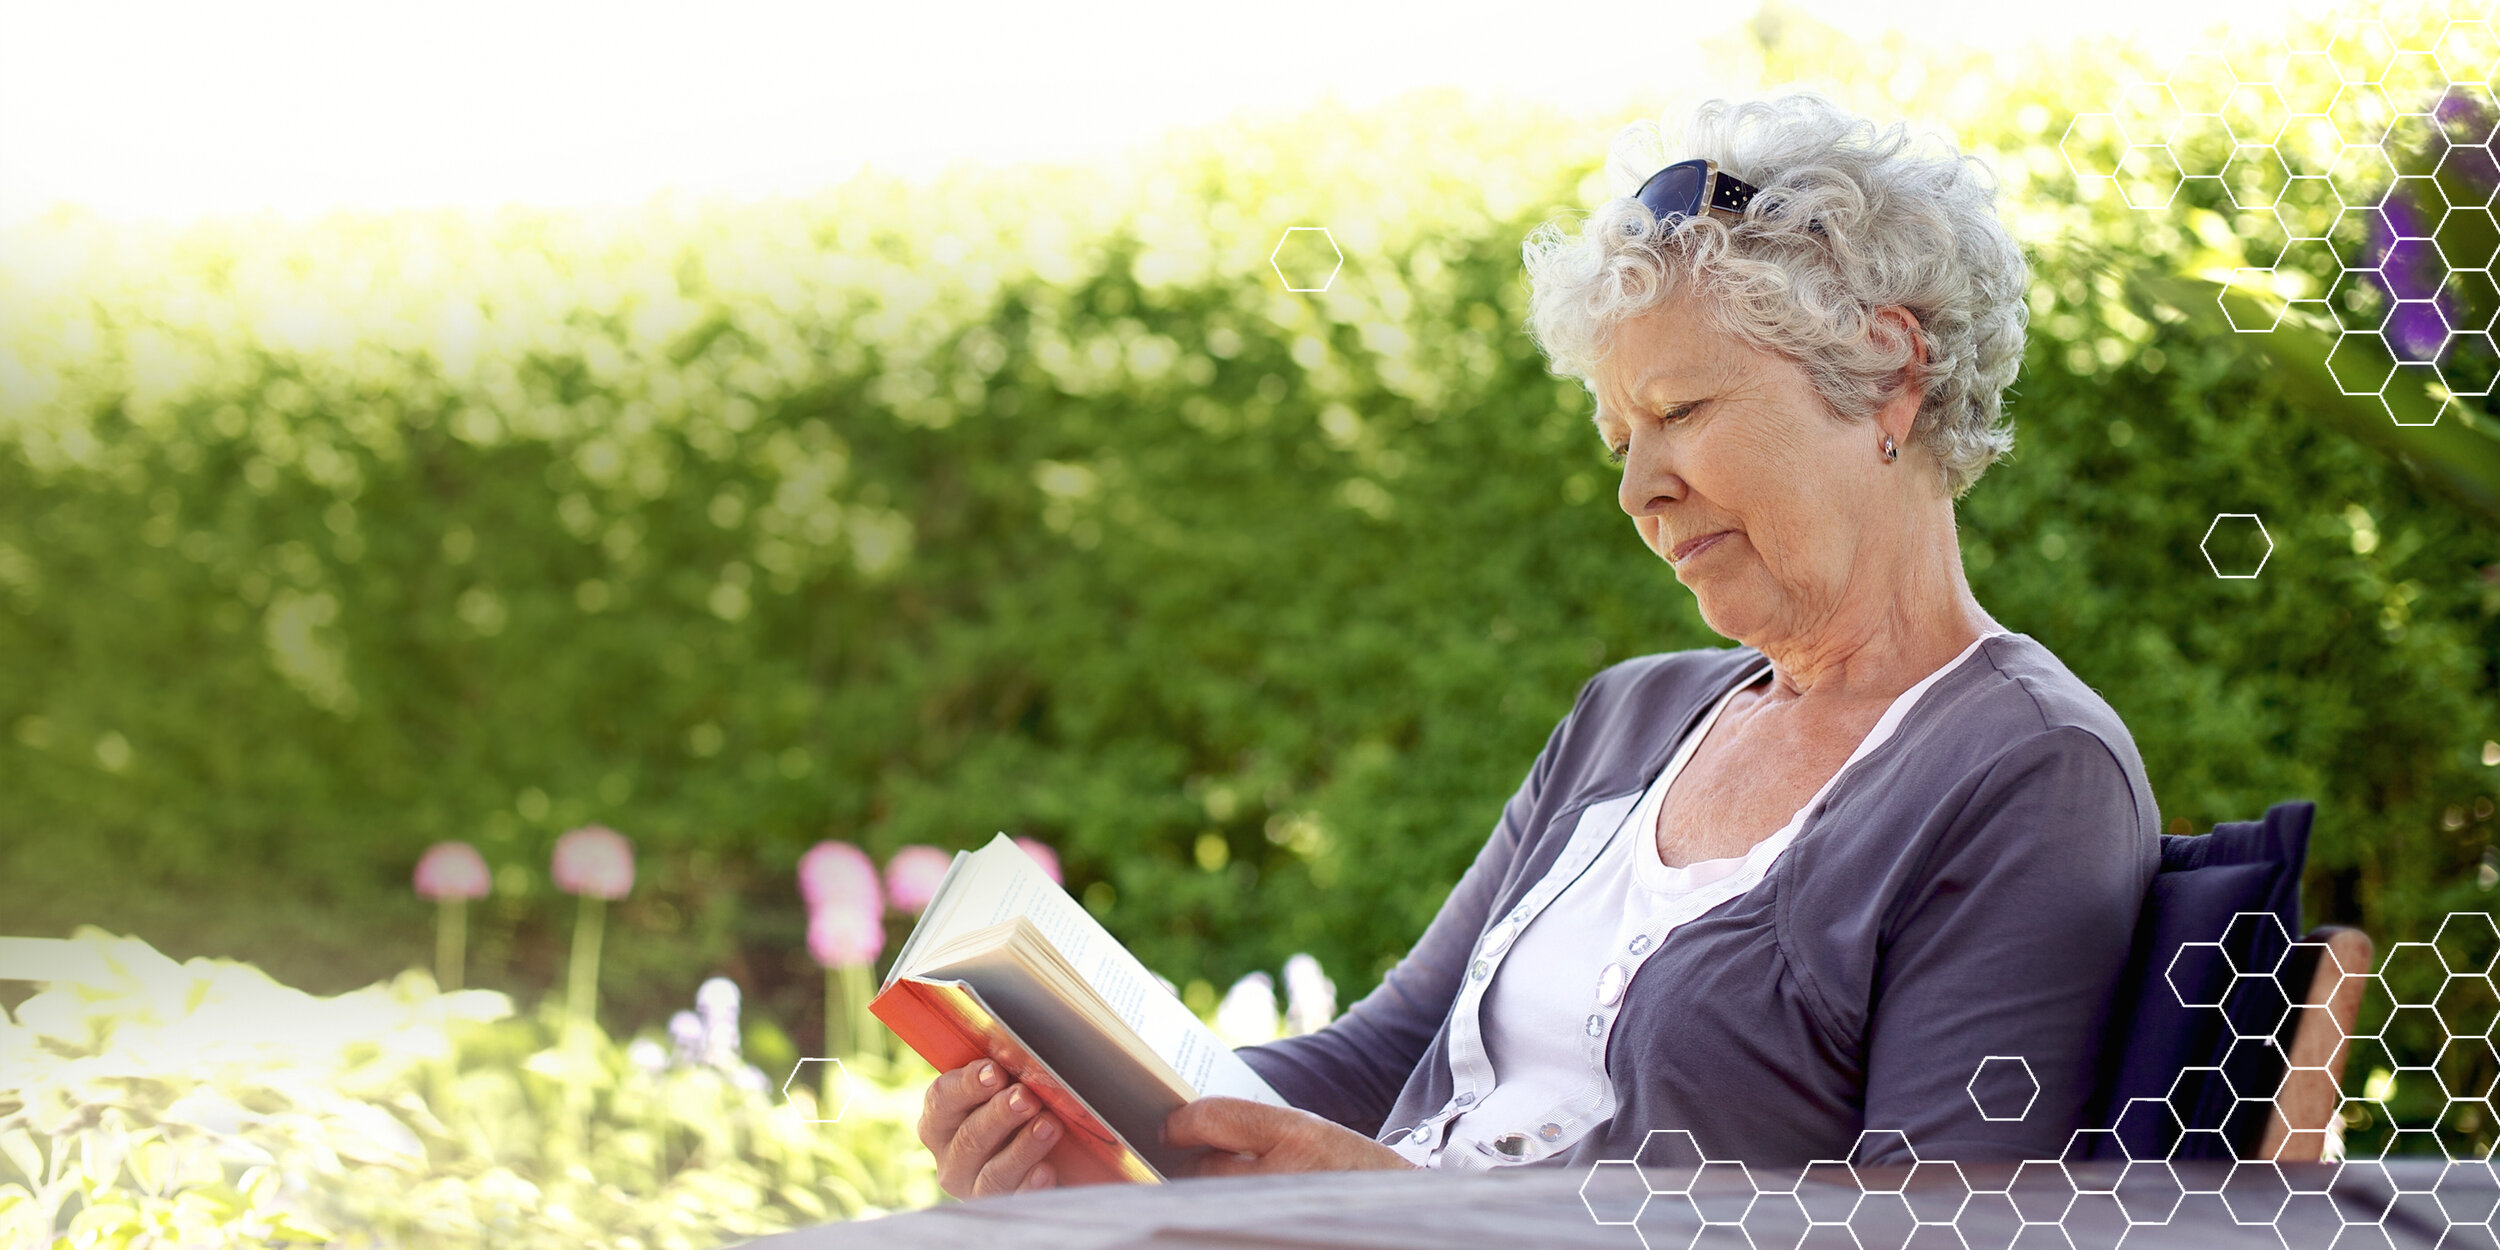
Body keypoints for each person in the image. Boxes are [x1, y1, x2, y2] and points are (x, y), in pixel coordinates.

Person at [915, 88, 2160, 1196]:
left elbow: (1927, 1227)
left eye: (1680, 410)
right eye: (1621, 439)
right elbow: (1377, 1054)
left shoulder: (2030, 771)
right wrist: (1096, 1103)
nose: (1638, 491)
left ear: (1888, 370)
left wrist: (1409, 1217)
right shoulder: (1630, 717)